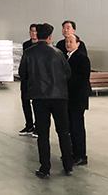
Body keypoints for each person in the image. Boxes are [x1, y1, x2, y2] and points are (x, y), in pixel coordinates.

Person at [19, 23, 73, 179]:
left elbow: (22, 73)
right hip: (59, 97)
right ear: (50, 37)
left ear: (37, 35)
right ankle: (68, 166)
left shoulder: (29, 53)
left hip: (39, 98)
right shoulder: (58, 53)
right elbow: (68, 73)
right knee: (63, 132)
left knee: (43, 134)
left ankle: (45, 168)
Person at [65, 34, 91, 166]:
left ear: (78, 44)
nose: (68, 44)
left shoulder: (81, 58)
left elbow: (82, 79)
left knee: (77, 127)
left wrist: (66, 80)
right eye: (67, 42)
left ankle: (81, 155)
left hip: (77, 98)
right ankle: (73, 153)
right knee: (71, 127)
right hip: (69, 98)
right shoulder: (67, 57)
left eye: (71, 41)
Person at [19, 24, 39, 137]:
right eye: (31, 31)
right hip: (26, 77)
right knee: (25, 101)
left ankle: (38, 126)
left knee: (36, 103)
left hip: (36, 78)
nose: (33, 33)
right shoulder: (26, 45)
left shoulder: (41, 45)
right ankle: (29, 124)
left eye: (35, 31)